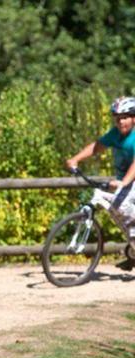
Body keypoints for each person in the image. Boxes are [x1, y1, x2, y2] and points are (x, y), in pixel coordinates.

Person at [66, 96, 135, 267]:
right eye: (118, 119)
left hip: (130, 180)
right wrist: (75, 159)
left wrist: (124, 182)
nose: (121, 122)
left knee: (122, 206)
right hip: (126, 181)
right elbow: (97, 146)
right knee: (118, 208)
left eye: (125, 118)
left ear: (134, 118)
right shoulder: (115, 134)